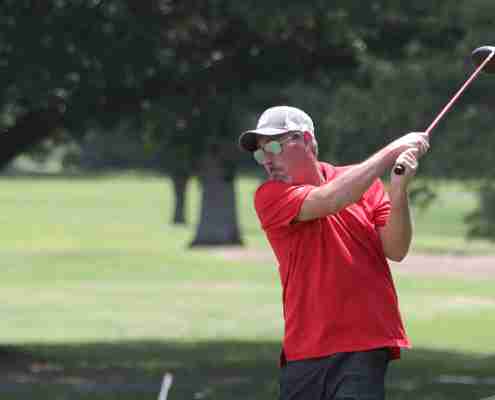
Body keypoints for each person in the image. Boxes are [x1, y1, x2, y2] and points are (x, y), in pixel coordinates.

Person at [238, 106, 429, 400]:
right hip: (305, 347)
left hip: (364, 342)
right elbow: (331, 199)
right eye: (261, 154)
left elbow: (396, 248)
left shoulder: (363, 183)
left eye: (274, 147)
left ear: (306, 141)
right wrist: (392, 151)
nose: (268, 160)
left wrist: (399, 190)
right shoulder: (270, 195)